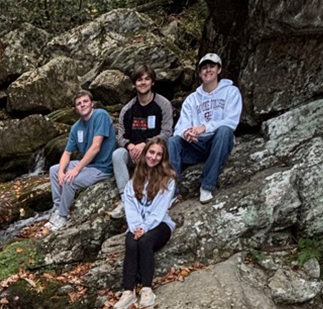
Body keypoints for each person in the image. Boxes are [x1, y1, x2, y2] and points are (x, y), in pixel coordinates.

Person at [168, 53, 242, 204]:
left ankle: (207, 185)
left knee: (224, 130)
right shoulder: (192, 99)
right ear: (200, 73)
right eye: (204, 68)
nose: (208, 70)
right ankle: (171, 192)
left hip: (217, 142)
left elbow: (231, 121)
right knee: (173, 141)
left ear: (219, 69)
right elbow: (181, 126)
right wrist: (186, 133)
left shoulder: (231, 91)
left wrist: (205, 127)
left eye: (212, 66)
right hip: (196, 145)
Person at [114, 138, 175, 309]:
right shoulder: (133, 181)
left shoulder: (168, 180)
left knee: (145, 241)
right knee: (131, 242)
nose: (153, 157)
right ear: (145, 153)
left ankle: (147, 289)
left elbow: (159, 210)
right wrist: (136, 227)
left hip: (159, 224)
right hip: (137, 224)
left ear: (163, 158)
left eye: (158, 154)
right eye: (151, 152)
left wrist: (145, 227)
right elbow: (130, 208)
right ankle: (128, 291)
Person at [47, 91, 115, 232]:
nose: (82, 105)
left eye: (85, 101)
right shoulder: (76, 127)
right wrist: (61, 171)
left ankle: (63, 216)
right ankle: (57, 208)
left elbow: (96, 147)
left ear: (92, 103)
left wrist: (76, 169)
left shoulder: (100, 115)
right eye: (79, 103)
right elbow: (67, 153)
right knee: (54, 170)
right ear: (76, 109)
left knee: (70, 179)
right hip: (87, 165)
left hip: (102, 168)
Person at [112, 65, 174, 197]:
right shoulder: (127, 109)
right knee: (118, 154)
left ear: (153, 82)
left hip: (155, 152)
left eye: (147, 79)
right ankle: (125, 196)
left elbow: (167, 133)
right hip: (134, 154)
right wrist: (130, 146)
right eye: (139, 80)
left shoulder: (163, 105)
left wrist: (146, 145)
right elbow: (120, 137)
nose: (143, 83)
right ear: (134, 83)